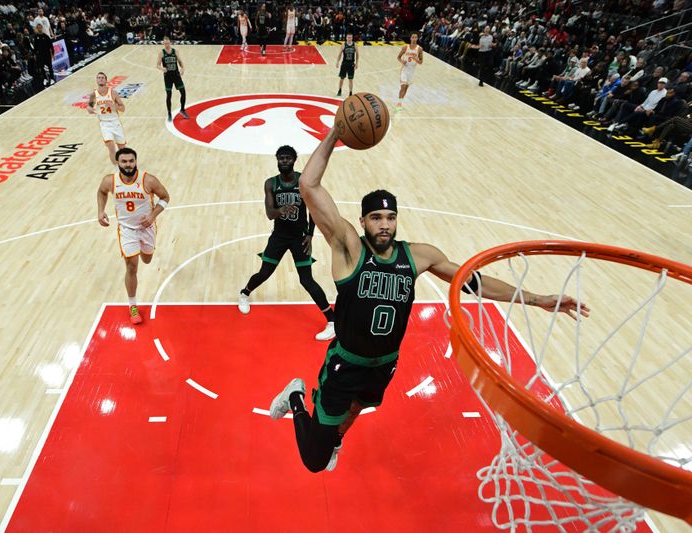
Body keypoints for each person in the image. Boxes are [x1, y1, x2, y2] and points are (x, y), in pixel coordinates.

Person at [268, 128, 590, 473]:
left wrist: (537, 299)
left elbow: (473, 282)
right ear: (362, 221)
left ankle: (335, 438)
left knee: (356, 410)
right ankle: (297, 397)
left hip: (385, 362)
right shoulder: (349, 247)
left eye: (390, 218)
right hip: (346, 362)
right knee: (315, 461)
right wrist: (336, 133)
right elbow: (310, 187)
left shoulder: (419, 256)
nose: (384, 225)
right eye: (376, 218)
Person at [239, 145, 336, 341]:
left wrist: (310, 234)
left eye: (287, 158)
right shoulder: (271, 184)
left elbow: (313, 210)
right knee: (265, 272)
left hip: (299, 237)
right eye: (281, 158)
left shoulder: (303, 183)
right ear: (277, 161)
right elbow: (269, 214)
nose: (284, 161)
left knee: (306, 280)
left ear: (294, 160)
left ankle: (332, 321)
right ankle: (244, 293)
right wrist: (282, 210)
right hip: (279, 237)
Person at [97, 148, 170, 325]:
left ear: (136, 161)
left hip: (147, 227)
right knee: (131, 267)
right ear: (118, 163)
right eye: (124, 161)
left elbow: (165, 197)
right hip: (126, 229)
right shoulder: (110, 181)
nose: (128, 165)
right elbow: (101, 192)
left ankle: (147, 252)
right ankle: (133, 306)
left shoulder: (148, 180)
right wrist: (100, 211)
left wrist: (153, 215)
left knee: (147, 259)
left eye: (131, 161)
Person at [87, 72, 126, 167]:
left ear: (106, 80)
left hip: (115, 122)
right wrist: (89, 109)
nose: (100, 79)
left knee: (122, 149)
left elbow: (123, 108)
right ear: (96, 80)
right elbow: (89, 106)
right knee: (111, 146)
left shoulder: (113, 93)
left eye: (102, 77)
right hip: (104, 124)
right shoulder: (93, 95)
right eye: (99, 77)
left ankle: (126, 166)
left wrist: (114, 106)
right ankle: (117, 168)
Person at [157, 37, 188, 122]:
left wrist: (182, 68)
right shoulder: (161, 53)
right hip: (167, 77)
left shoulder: (175, 51)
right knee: (169, 95)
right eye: (165, 43)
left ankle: (182, 110)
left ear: (170, 42)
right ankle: (169, 113)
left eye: (167, 43)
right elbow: (157, 65)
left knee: (183, 92)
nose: (166, 44)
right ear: (163, 43)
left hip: (176, 75)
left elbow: (180, 61)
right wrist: (161, 68)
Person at [396, 33, 423, 111]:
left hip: (412, 71)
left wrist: (416, 59)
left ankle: (400, 102)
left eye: (416, 37)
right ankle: (399, 103)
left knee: (406, 88)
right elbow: (398, 57)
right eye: (413, 37)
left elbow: (421, 62)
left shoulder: (419, 49)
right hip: (405, 69)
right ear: (410, 38)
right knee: (403, 86)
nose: (414, 39)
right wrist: (402, 61)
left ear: (417, 38)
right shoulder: (405, 47)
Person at [336, 32, 358, 97]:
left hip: (351, 64)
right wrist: (337, 62)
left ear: (352, 38)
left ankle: (350, 92)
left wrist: (357, 63)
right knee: (341, 78)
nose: (349, 39)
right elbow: (339, 54)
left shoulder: (355, 45)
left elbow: (357, 54)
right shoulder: (343, 45)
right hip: (344, 63)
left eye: (350, 37)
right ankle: (339, 90)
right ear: (346, 38)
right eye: (348, 37)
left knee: (350, 79)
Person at [33, 23, 54, 87]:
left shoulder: (46, 36)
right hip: (40, 54)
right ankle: (45, 78)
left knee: (50, 66)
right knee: (41, 67)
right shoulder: (36, 37)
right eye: (38, 27)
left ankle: (52, 78)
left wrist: (53, 53)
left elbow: (51, 45)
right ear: (37, 28)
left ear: (42, 28)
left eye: (40, 27)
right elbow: (35, 47)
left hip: (47, 53)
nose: (39, 29)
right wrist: (34, 54)